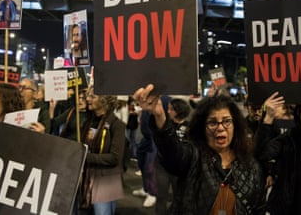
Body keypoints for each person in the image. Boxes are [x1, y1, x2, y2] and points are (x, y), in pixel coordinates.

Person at [133, 84, 266, 214]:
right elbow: (173, 152)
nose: (220, 128)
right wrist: (160, 117)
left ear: (235, 125)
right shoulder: (193, 156)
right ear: (202, 128)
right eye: (212, 122)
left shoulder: (251, 166)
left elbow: (258, 208)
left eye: (226, 121)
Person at [79, 86, 125, 215]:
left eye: (92, 96)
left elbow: (115, 158)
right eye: (88, 95)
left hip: (106, 180)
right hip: (87, 179)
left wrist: (85, 157)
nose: (87, 99)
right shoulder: (87, 121)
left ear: (104, 100)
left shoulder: (117, 125)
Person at [156, 97, 191, 215]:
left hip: (180, 168)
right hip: (162, 167)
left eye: (171, 109)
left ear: (178, 111)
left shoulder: (189, 127)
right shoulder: (165, 125)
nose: (168, 111)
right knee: (161, 197)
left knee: (179, 197)